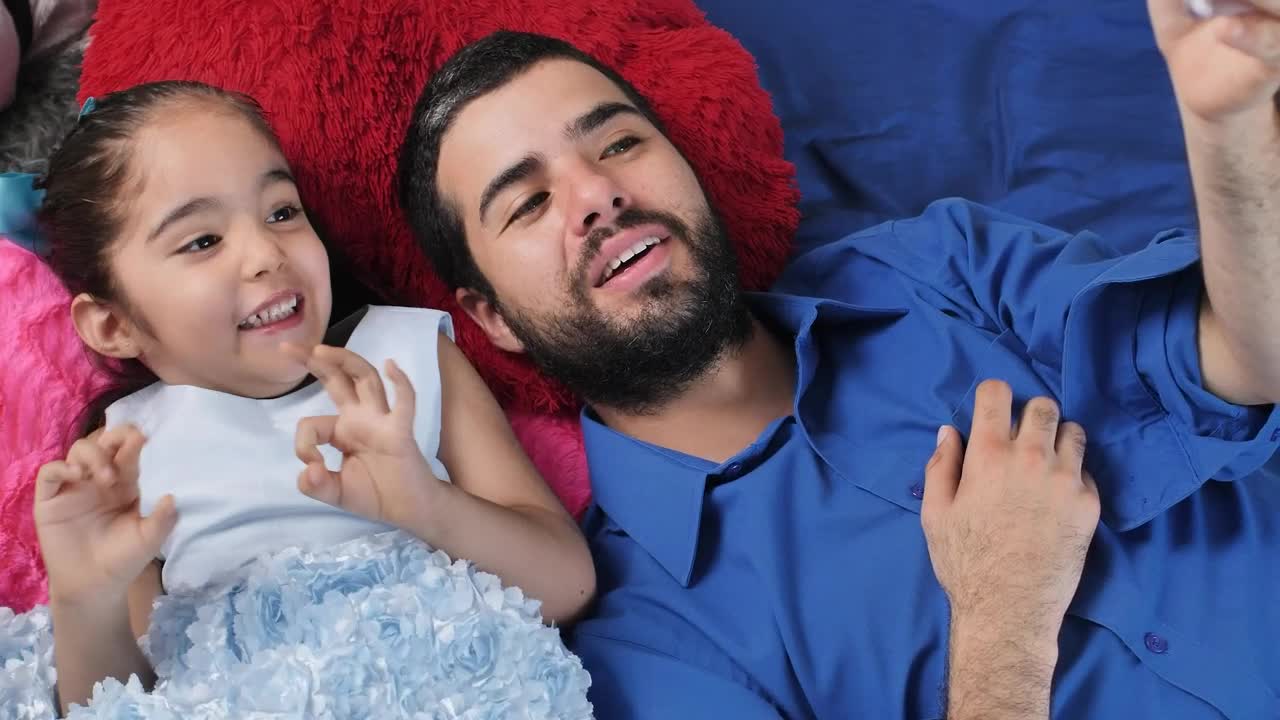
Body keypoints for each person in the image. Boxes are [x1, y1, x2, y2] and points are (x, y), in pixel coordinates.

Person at [396, 0, 1280, 716]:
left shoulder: (933, 265)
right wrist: (1002, 620)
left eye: (619, 142)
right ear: (491, 318)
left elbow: (1248, 361)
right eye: (528, 202)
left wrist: (1229, 127)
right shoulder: (647, 644)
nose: (597, 195)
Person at [31, 80, 595, 713]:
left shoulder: (403, 357)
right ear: (115, 325)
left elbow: (567, 586)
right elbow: (125, 704)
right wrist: (85, 601)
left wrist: (428, 505)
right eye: (202, 241)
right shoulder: (127, 452)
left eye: (281, 211)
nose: (267, 253)